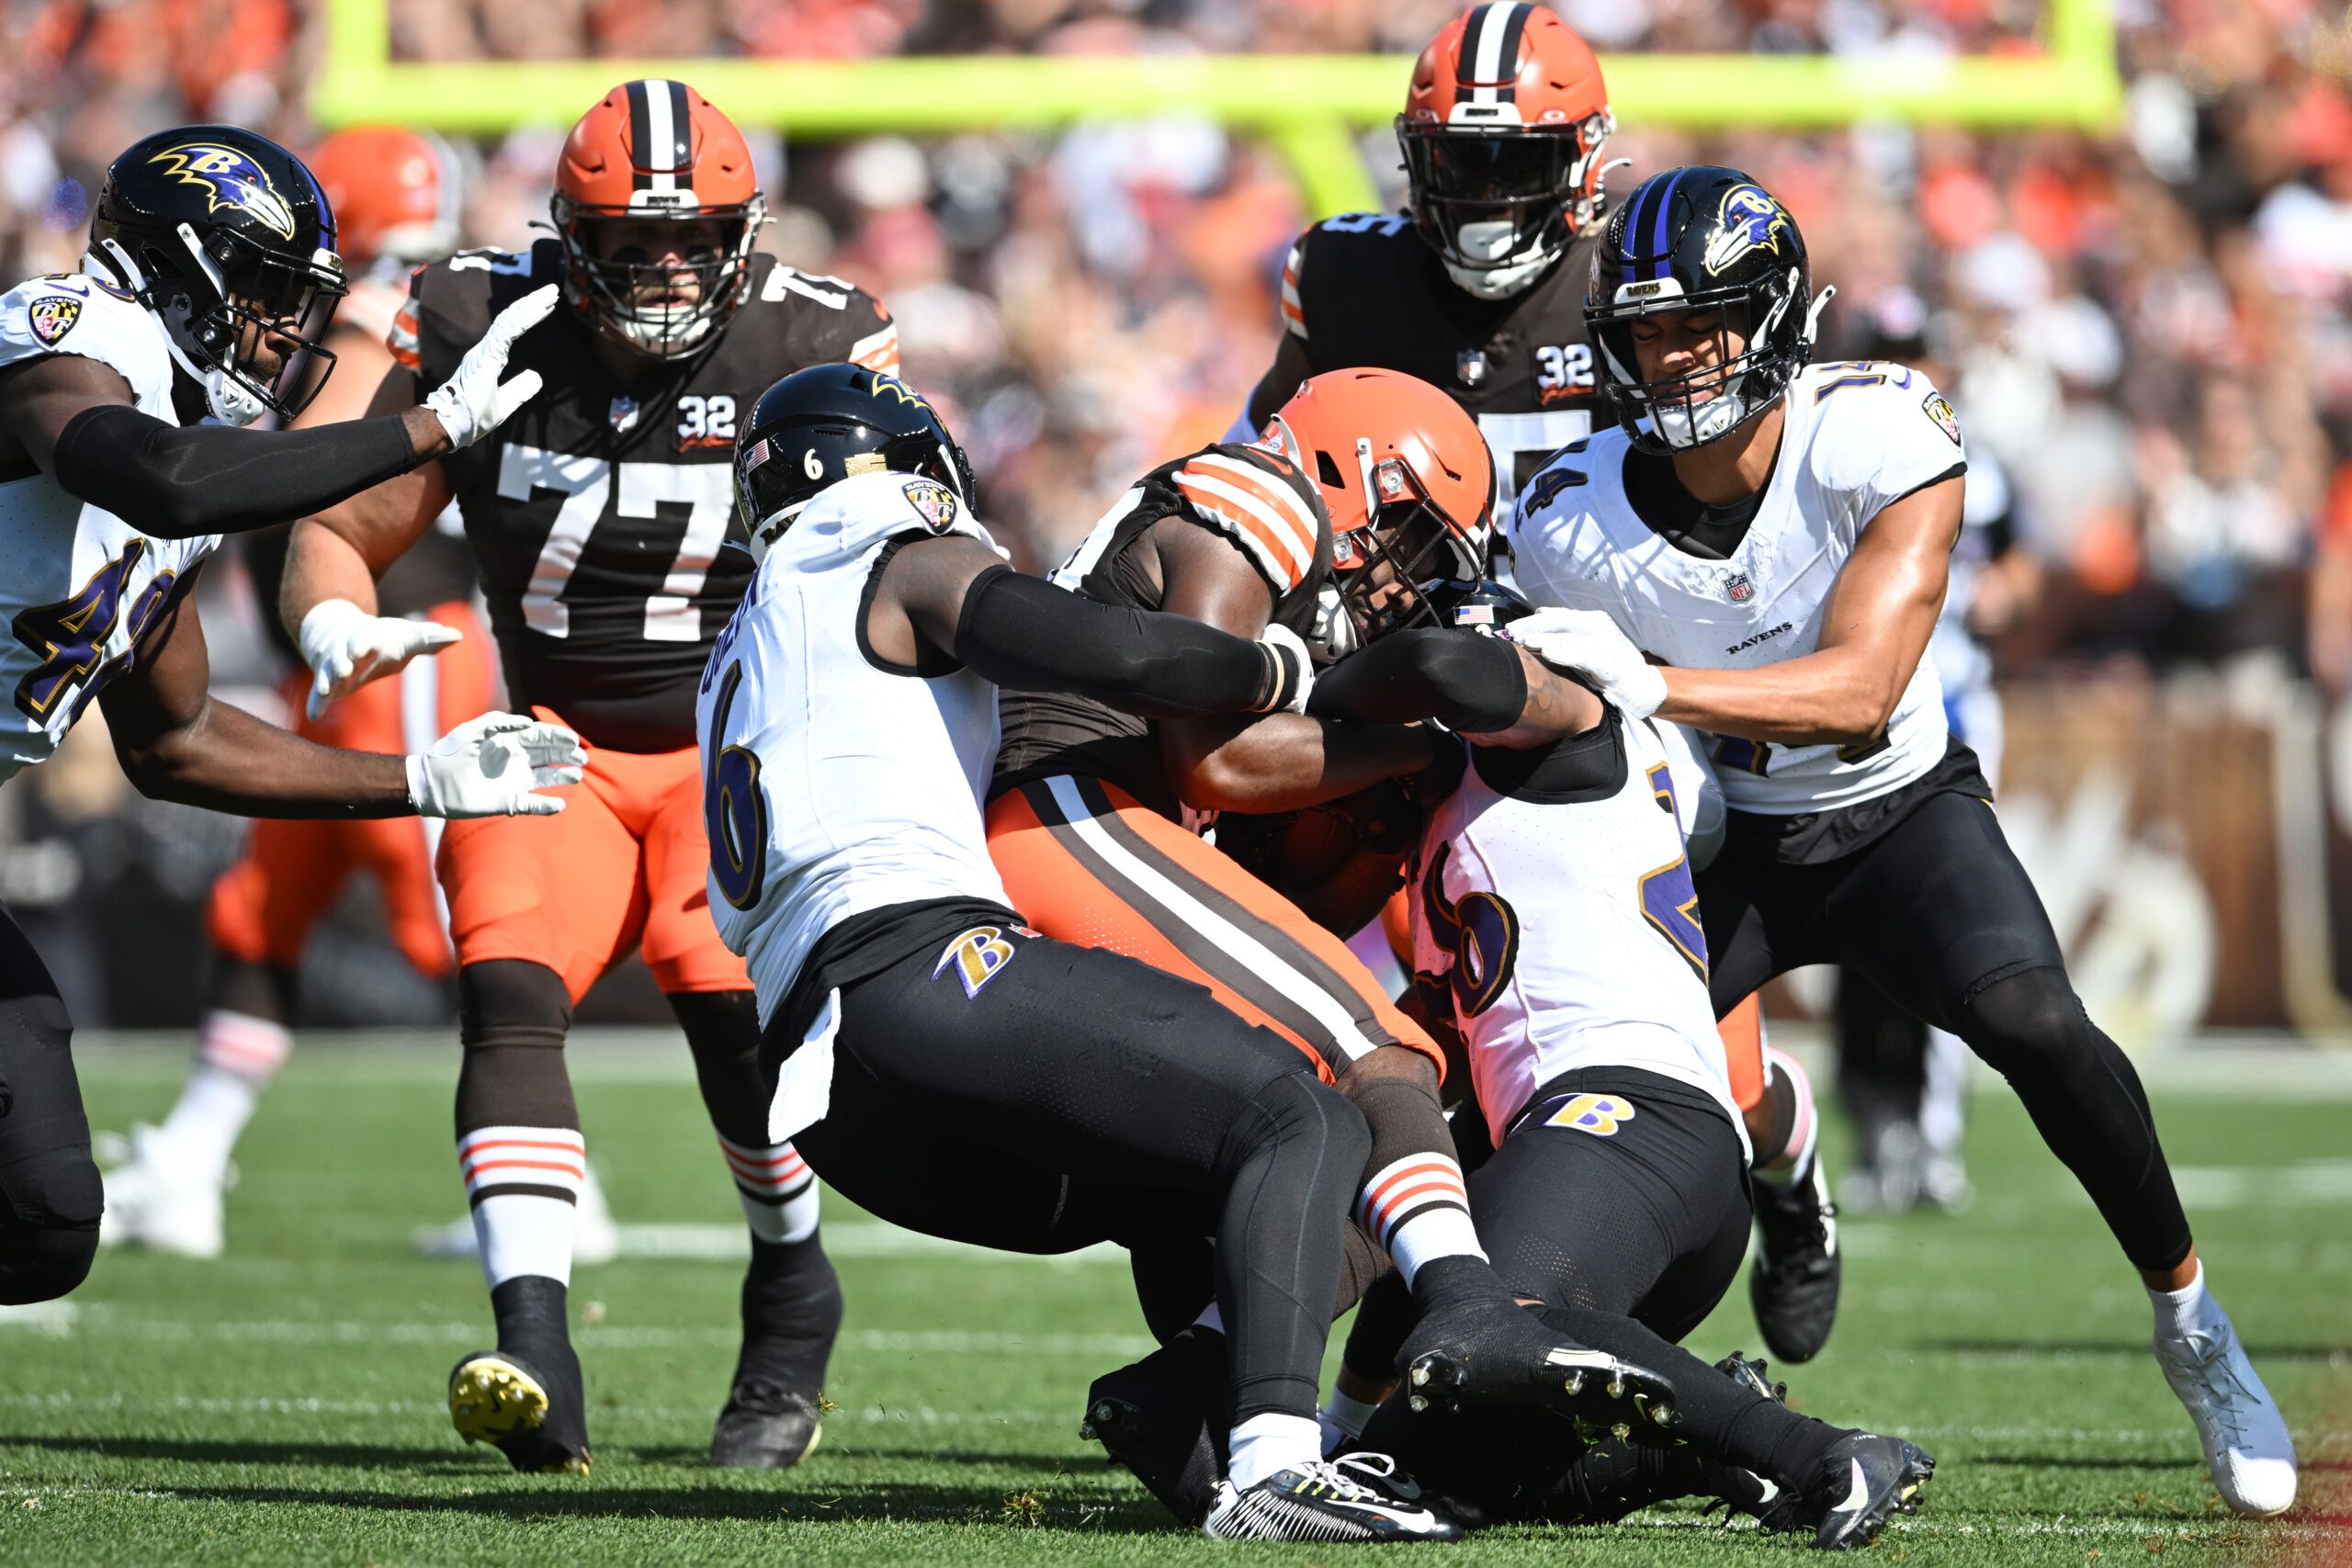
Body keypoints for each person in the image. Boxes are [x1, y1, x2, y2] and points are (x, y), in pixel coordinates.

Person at [1508, 164, 2297, 1520]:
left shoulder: (1874, 431)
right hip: (1724, 837)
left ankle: (2193, 1322)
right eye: (1649, 328)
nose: (1678, 352)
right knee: (1570, 1084)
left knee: (2040, 1022)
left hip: (1898, 814)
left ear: (1775, 317)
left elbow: (1859, 688)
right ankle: (1729, 1215)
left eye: (1704, 321)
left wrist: (1648, 681)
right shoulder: (1570, 520)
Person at [707, 361, 1459, 1541]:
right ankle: (1273, 1464)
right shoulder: (882, 540)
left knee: (1205, 1182)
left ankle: (1203, 1431)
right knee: (1296, 1115)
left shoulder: (748, 640)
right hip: (914, 970)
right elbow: (1127, 655)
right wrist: (1286, 669)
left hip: (827, 1087)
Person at [279, 81, 898, 1476]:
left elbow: (909, 547)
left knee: (739, 1043)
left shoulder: (822, 334)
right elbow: (343, 519)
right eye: (632, 243)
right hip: (549, 735)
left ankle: (793, 1290)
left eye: (694, 243)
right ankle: (534, 1338)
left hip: (733, 752)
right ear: (570, 236)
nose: (667, 274)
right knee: (504, 986)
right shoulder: (484, 315)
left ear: (746, 239)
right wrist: (330, 613)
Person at [1241, 4, 1830, 1357]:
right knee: (1417, 1028)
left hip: (1593, 709)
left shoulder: (1639, 277)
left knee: (1691, 1065)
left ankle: (1785, 1148)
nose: (1488, 196)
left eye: (1518, 164)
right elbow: (1274, 456)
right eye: (1461, 160)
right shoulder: (1343, 275)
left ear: (1585, 163)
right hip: (1413, 691)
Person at [988, 367, 1677, 1520]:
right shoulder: (1250, 503)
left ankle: (1217, 1388)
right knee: (1377, 1046)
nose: (1406, 576)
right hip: (1062, 806)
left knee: (1330, 1099)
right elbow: (1221, 759)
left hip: (1108, 822)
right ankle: (1462, 1314)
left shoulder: (1271, 538)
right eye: (1410, 531)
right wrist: (1418, 752)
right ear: (1352, 472)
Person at [0, 123, 576, 1308]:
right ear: (175, 265)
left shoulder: (194, 443)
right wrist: (428, 430)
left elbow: (176, 740)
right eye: (264, 290)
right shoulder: (62, 334)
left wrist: (422, 779)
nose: (286, 329)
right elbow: (146, 472)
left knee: (47, 1217)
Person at [1300, 585, 1936, 1551]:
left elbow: (1442, 668)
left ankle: (1823, 1453)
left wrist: (1315, 689)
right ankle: (1707, 1438)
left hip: (1621, 1128)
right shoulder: (1485, 816)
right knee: (1445, 1463)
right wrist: (1341, 1433)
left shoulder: (1570, 733)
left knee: (1471, 1341)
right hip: (1631, 1170)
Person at [101, 123, 503, 1261]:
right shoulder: (409, 299)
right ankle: (188, 1161)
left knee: (456, 921)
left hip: (394, 649)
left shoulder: (388, 312)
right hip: (336, 660)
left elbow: (311, 473)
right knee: (260, 914)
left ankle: (543, 1168)